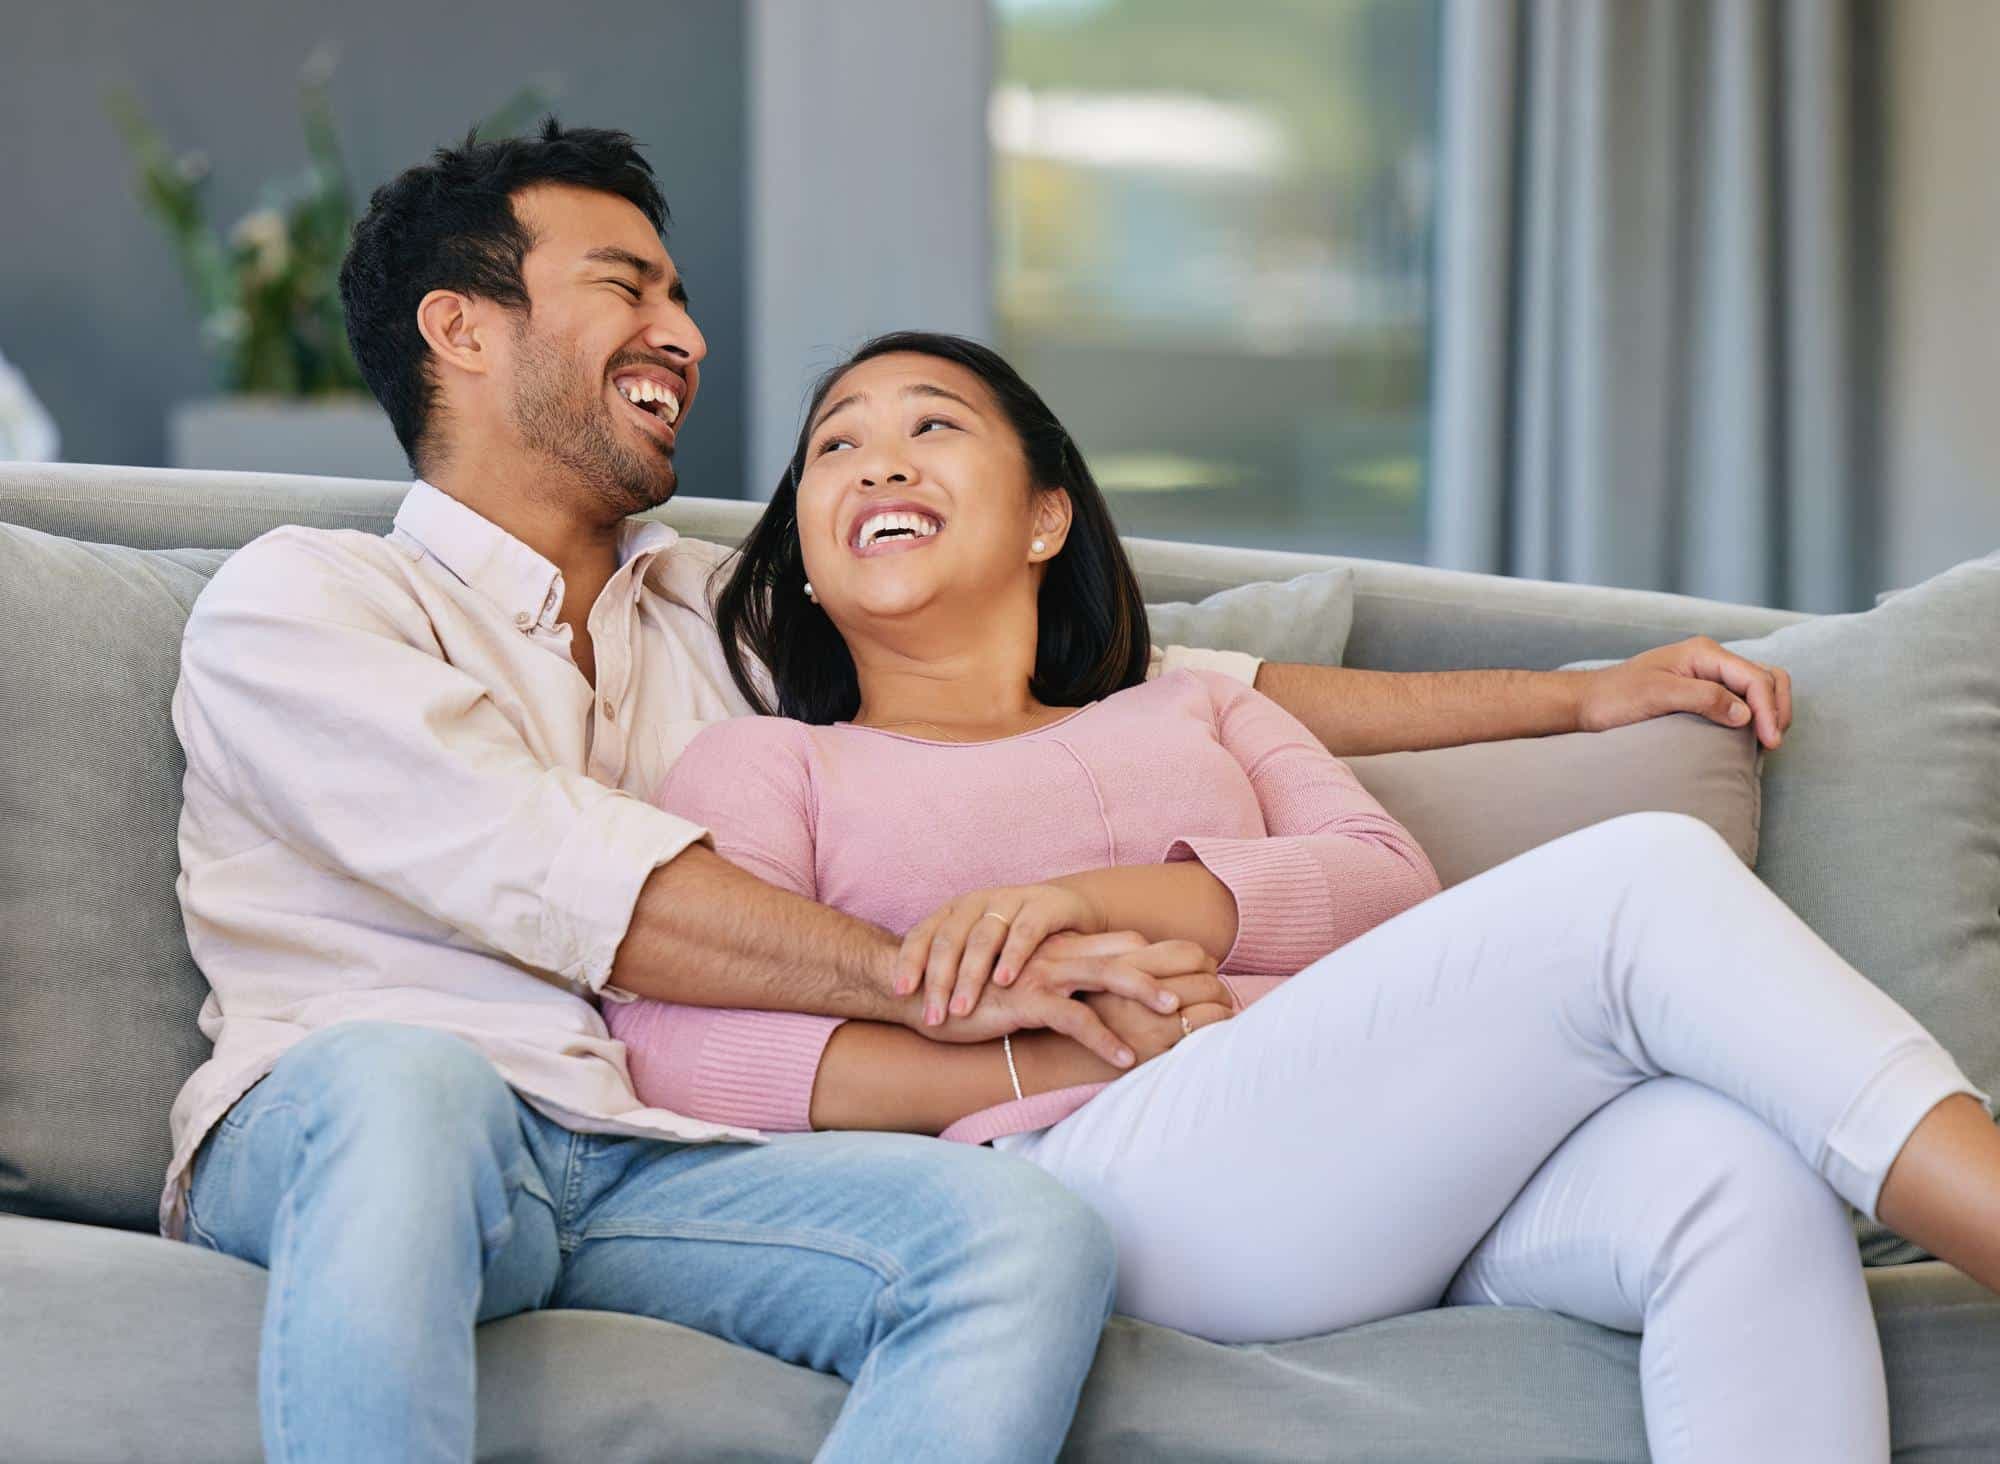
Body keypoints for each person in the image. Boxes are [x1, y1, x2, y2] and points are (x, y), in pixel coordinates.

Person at [165, 120, 1807, 1462]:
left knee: (1022, 1236)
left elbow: (1160, 682)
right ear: (462, 329)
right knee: (413, 1084)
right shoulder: (305, 602)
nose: (688, 335)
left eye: (682, 295)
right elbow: (558, 870)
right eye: (627, 286)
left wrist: (1574, 695)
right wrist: (936, 984)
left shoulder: (718, 616)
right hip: (365, 1116)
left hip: (642, 1155)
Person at [606, 329, 2000, 1464]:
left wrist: (1094, 901)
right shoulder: (766, 762)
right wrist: (1030, 1052)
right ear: (801, 554)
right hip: (1087, 1185)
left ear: (1045, 518)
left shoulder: (1193, 709)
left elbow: (1384, 887)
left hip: (1354, 1163)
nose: (876, 459)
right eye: (834, 446)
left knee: (1735, 1170)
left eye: (931, 425)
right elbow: (677, 1046)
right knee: (1643, 879)